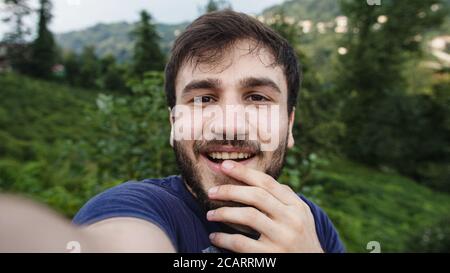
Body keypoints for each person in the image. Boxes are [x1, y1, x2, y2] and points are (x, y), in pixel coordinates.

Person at [0, 10, 344, 253]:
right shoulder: (139, 208)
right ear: (173, 124)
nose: (228, 125)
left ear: (290, 125)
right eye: (203, 98)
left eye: (257, 97)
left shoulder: (310, 223)